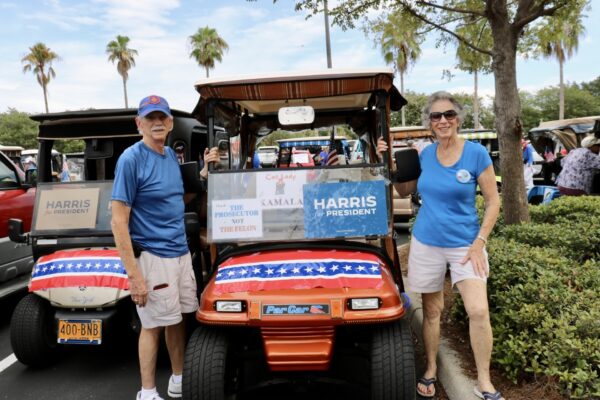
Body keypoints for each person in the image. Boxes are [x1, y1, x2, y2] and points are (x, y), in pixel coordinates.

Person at [378, 91, 502, 400]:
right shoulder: (424, 155)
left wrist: (479, 242)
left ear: (458, 118)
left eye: (448, 114)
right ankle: (431, 368)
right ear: (430, 123)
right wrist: (386, 159)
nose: (443, 120)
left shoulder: (476, 154)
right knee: (432, 310)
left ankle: (484, 381)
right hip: (426, 243)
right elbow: (404, 189)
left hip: (465, 244)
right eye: (436, 116)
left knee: (477, 310)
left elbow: (493, 201)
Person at [111, 95, 199, 400]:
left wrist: (202, 175)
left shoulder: (169, 158)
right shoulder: (131, 159)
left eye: (162, 117)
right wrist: (134, 276)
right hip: (153, 257)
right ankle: (147, 392)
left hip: (180, 253)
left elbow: (177, 200)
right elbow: (118, 221)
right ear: (139, 124)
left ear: (171, 122)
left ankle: (178, 379)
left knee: (177, 318)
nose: (157, 122)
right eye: (150, 118)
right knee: (152, 326)